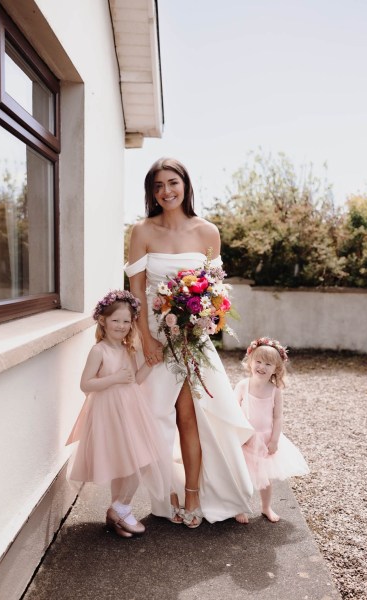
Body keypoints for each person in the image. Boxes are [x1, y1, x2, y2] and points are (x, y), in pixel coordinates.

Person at [125, 157, 254, 528]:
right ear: (151, 192)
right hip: (155, 335)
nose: (166, 191)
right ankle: (165, 496)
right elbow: (135, 290)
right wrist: (145, 338)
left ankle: (196, 496)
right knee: (155, 417)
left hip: (193, 336)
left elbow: (215, 290)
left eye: (172, 183)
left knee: (192, 417)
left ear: (185, 185)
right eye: (158, 186)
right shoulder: (141, 231)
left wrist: (206, 319)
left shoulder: (207, 231)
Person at [66, 290, 169, 538]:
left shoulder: (128, 348)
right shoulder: (98, 351)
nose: (121, 326)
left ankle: (116, 511)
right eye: (115, 320)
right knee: (129, 463)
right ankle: (121, 508)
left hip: (131, 409)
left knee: (137, 461)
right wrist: (113, 378)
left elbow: (134, 380)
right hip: (109, 412)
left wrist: (149, 364)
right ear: (103, 320)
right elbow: (86, 384)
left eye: (126, 321)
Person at [234, 337, 310, 523]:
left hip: (266, 439)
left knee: (265, 478)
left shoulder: (275, 390)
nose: (261, 366)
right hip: (245, 438)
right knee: (242, 476)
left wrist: (275, 440)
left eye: (268, 364)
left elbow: (277, 417)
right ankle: (240, 507)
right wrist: (237, 435)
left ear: (276, 368)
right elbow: (234, 411)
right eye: (258, 361)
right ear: (250, 362)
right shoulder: (243, 385)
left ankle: (266, 506)